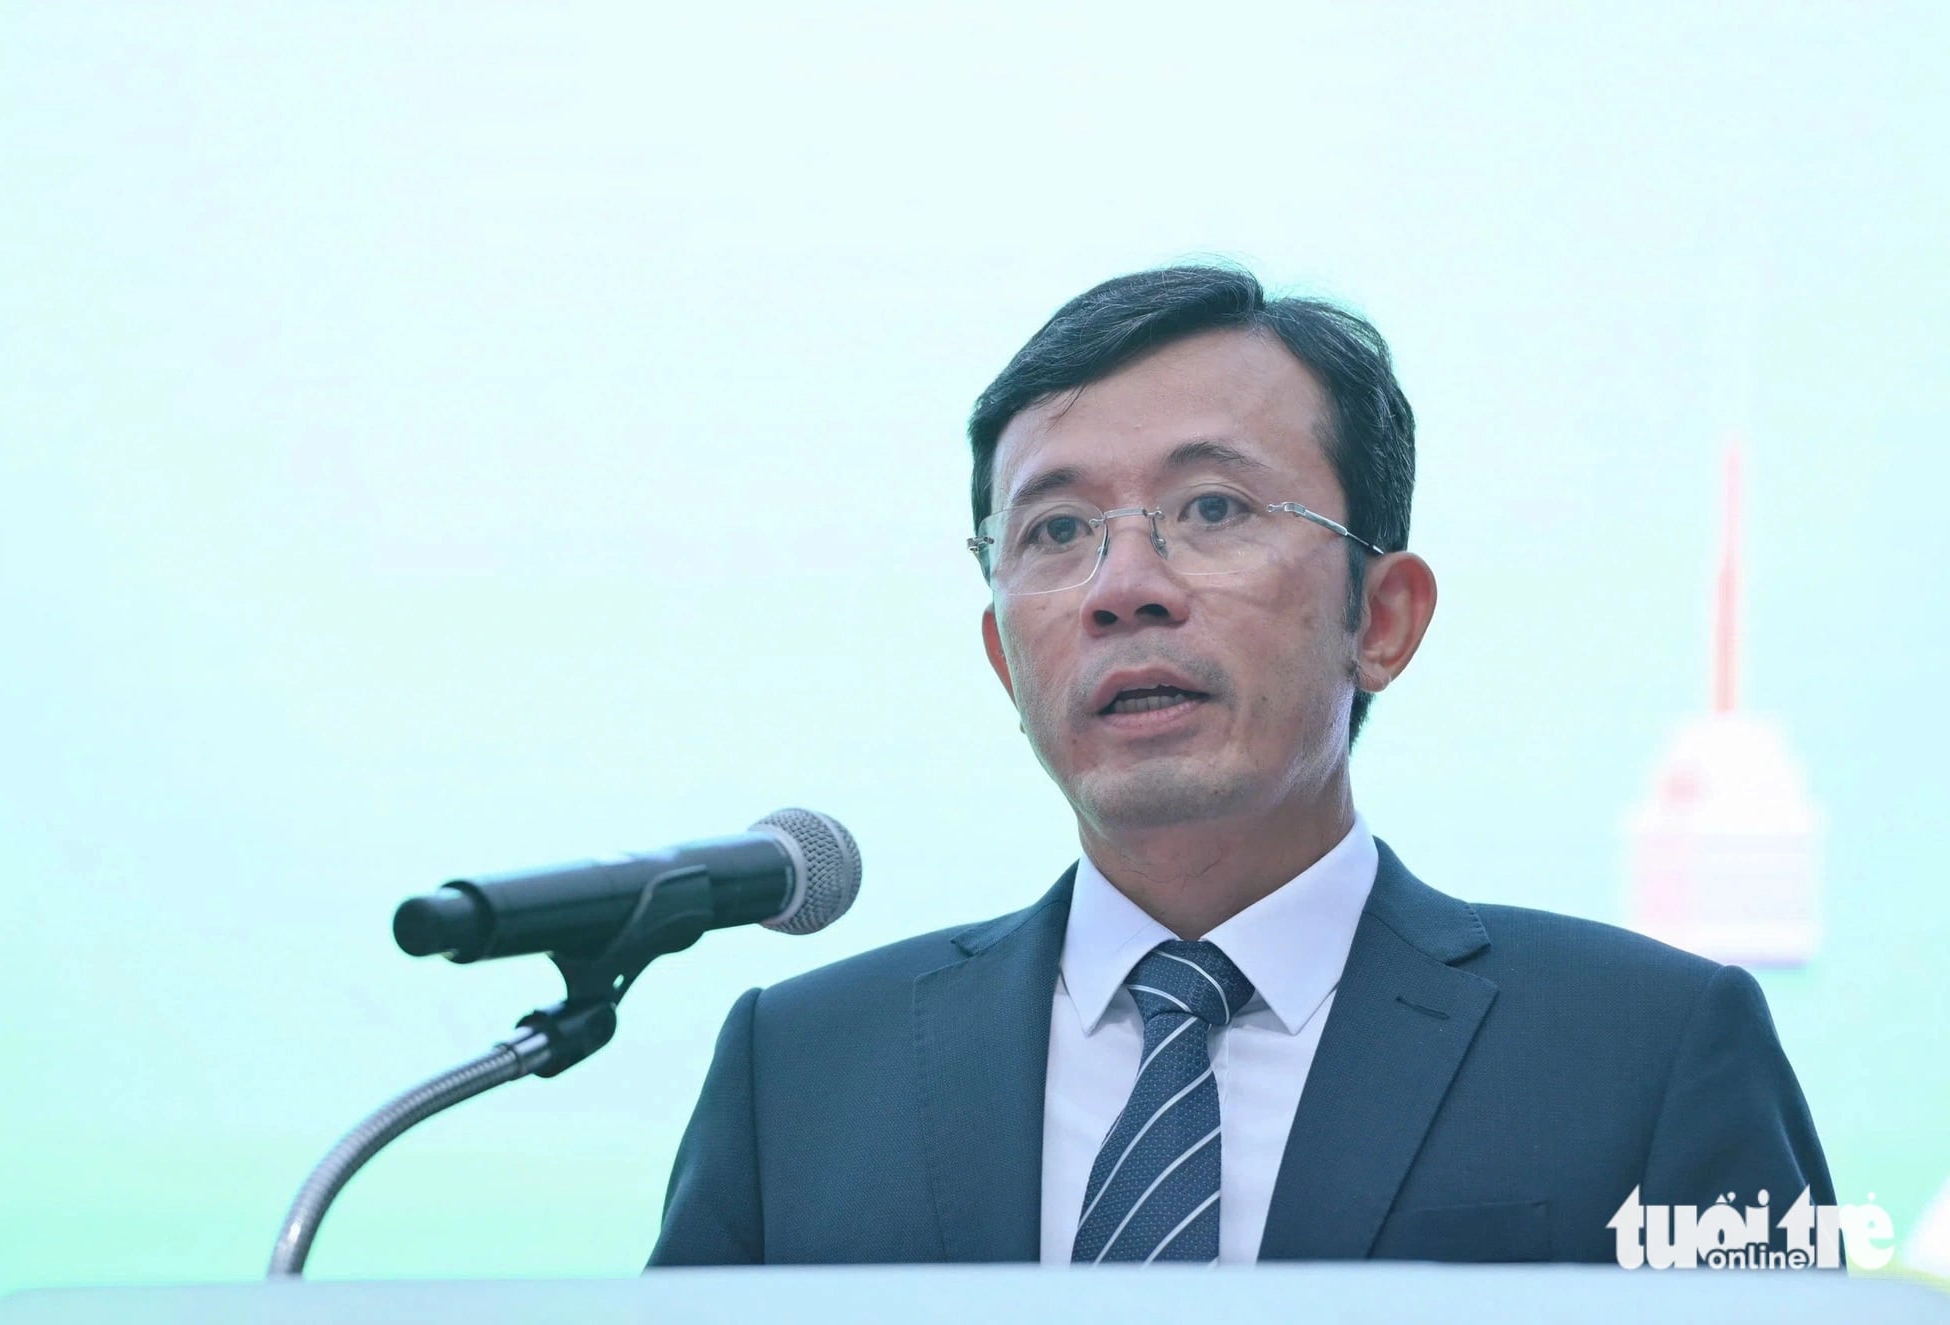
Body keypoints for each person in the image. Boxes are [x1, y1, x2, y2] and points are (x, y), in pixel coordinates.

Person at [648, 263, 1836, 1266]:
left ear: (1381, 617)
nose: (1123, 587)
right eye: (1055, 531)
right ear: (1003, 661)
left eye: (1210, 507)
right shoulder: (798, 1074)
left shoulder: (1648, 1050)